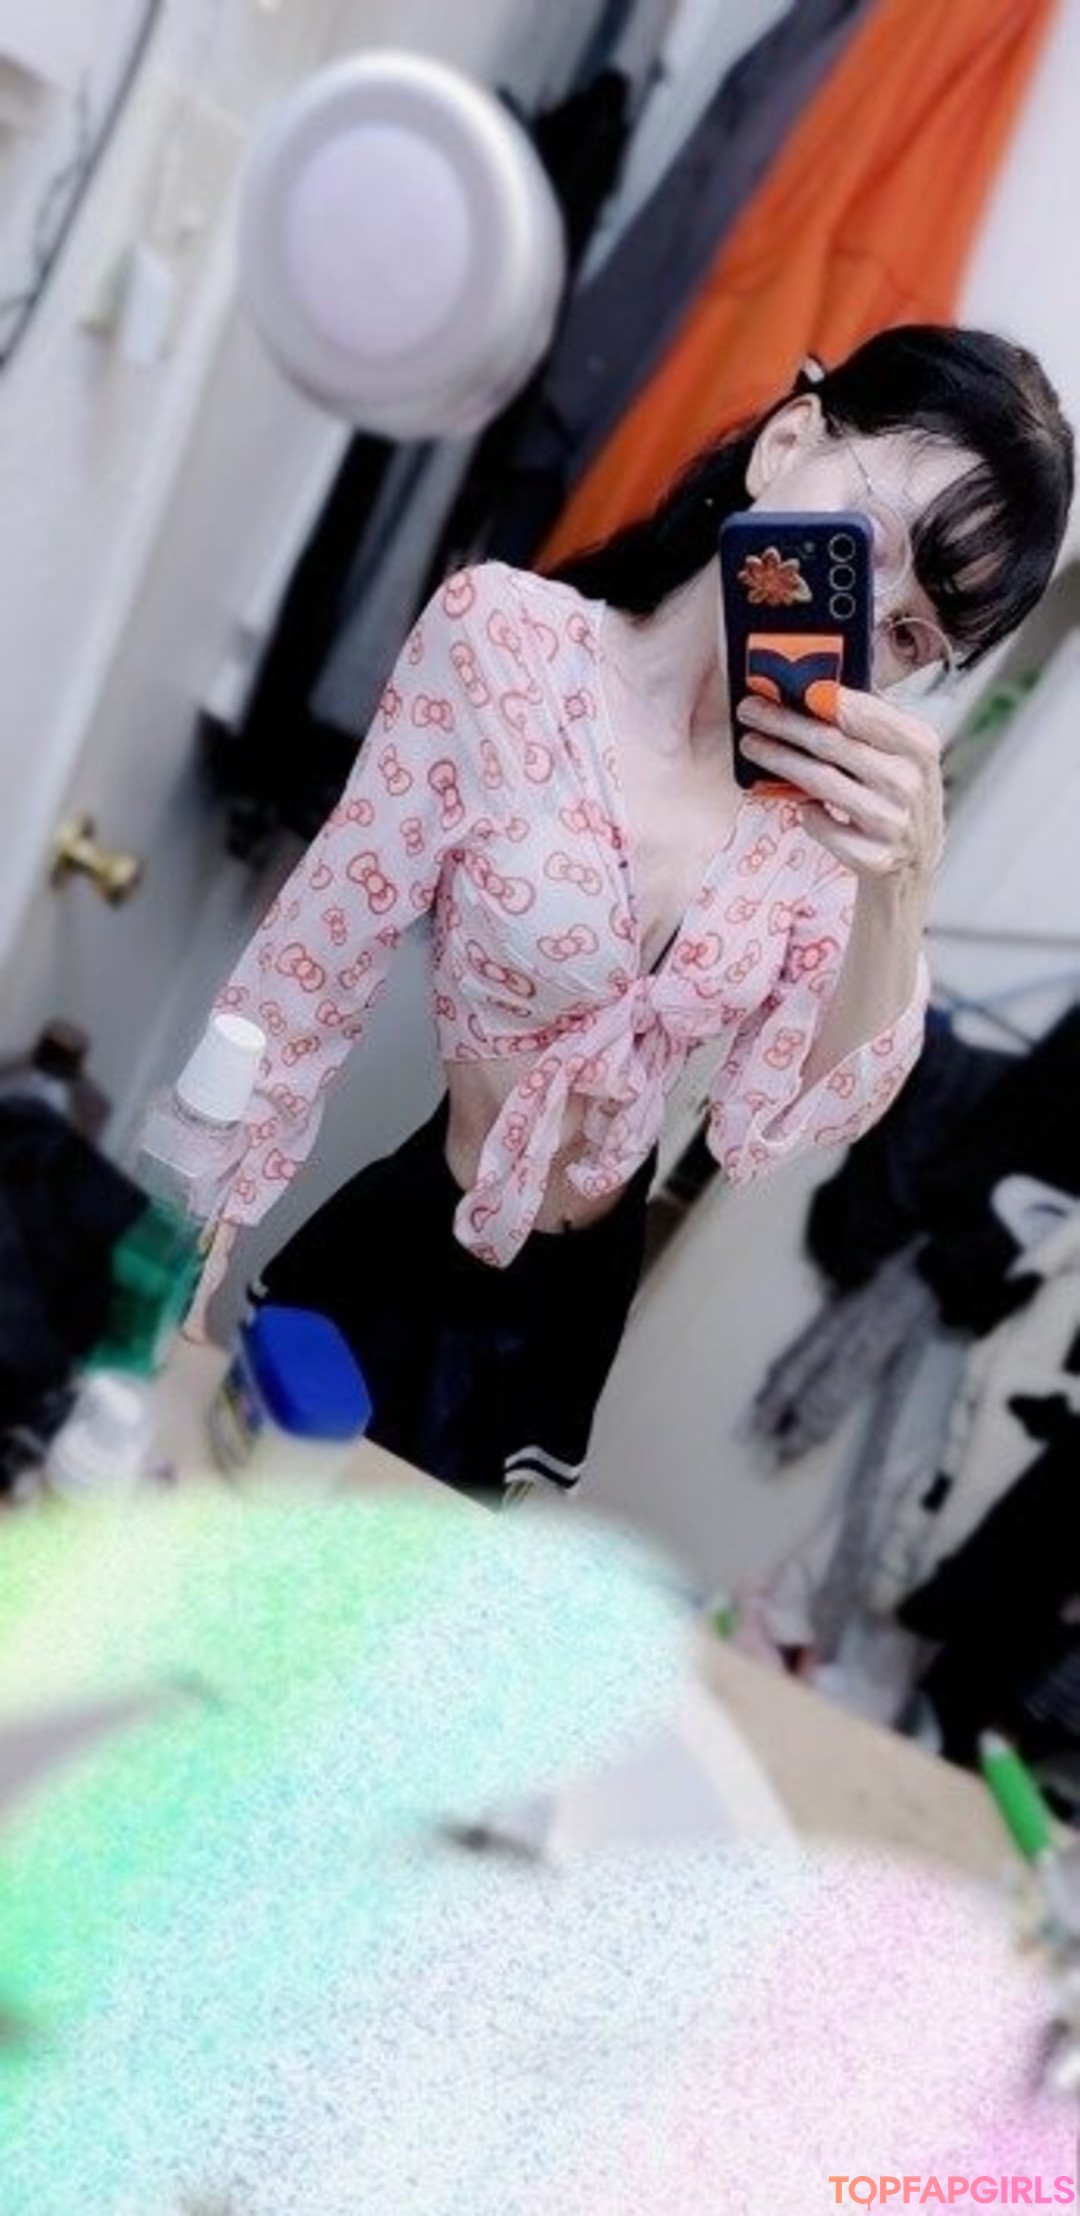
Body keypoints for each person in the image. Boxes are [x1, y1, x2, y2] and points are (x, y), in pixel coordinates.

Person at [190, 323, 1073, 1505]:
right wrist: (189, 1249)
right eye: (866, 545)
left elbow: (786, 1113)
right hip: (418, 1239)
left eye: (914, 634)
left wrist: (898, 887)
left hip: (576, 1295)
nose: (865, 629)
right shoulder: (506, 644)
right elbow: (312, 968)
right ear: (789, 441)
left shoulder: (823, 829)